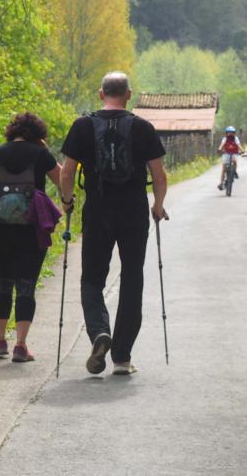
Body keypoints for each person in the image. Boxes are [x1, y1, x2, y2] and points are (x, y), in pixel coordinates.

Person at [59, 72, 168, 376]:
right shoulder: (143, 128)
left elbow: (67, 173)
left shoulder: (82, 126)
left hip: (97, 209)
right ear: (129, 94)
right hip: (133, 211)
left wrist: (67, 202)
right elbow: (159, 176)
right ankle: (121, 357)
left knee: (92, 279)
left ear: (100, 93)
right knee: (132, 279)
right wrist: (157, 206)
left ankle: (99, 332)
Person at [0, 112, 62, 363]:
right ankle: (21, 345)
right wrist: (45, 149)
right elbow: (64, 179)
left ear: (12, 130)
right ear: (38, 133)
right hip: (32, 229)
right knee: (26, 285)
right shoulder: (41, 154)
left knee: (2, 282)